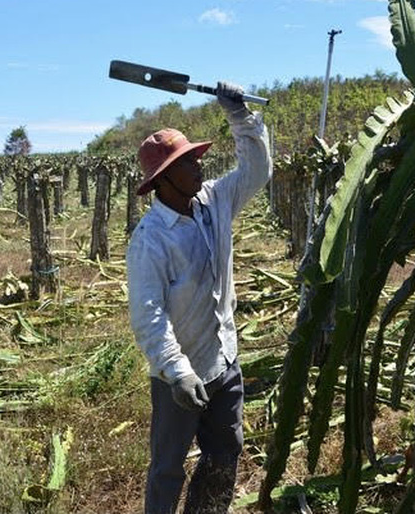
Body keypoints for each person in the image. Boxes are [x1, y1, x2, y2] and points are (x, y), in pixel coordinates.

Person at [126, 82, 272, 514]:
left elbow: (257, 171)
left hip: (224, 362)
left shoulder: (213, 202)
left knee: (224, 457)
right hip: (178, 377)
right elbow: (149, 317)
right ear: (163, 179)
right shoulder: (150, 241)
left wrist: (241, 117)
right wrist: (178, 371)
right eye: (187, 161)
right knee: (168, 468)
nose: (198, 166)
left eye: (195, 157)